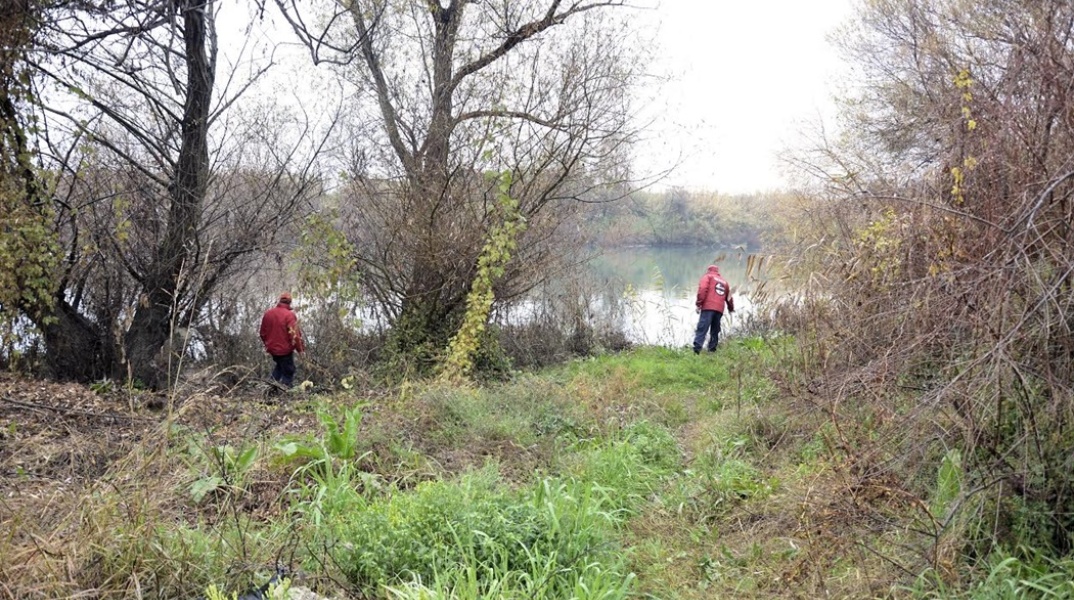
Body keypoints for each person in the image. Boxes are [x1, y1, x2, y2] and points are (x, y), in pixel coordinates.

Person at [259, 292, 305, 387]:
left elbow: (262, 333)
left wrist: (268, 345)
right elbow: (294, 335)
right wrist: (300, 350)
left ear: (279, 301)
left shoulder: (268, 313)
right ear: (290, 302)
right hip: (285, 350)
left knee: (280, 367)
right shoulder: (289, 315)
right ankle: (284, 391)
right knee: (289, 370)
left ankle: (270, 388)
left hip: (272, 349)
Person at [693, 264, 734, 354]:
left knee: (702, 327)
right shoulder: (724, 282)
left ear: (708, 270)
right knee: (715, 329)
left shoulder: (707, 277)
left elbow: (702, 289)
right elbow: (729, 297)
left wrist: (699, 304)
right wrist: (731, 308)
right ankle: (712, 349)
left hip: (708, 307)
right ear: (717, 271)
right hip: (719, 309)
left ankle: (697, 349)